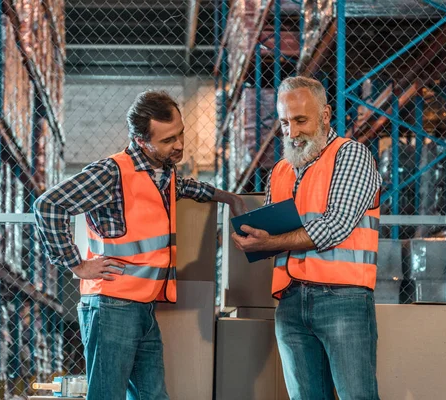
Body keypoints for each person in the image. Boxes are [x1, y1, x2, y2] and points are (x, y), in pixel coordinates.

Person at [34, 90, 246, 400]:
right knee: (108, 395)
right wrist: (76, 264)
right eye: (168, 140)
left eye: (180, 134)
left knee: (153, 395)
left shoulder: (163, 173)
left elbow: (185, 187)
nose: (179, 145)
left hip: (143, 306)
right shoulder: (111, 173)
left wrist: (229, 198)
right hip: (111, 306)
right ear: (141, 141)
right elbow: (48, 205)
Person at [232, 76, 382, 400]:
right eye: (285, 122)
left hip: (342, 299)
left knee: (357, 396)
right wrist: (250, 237)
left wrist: (268, 242)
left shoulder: (351, 156)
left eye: (301, 120)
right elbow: (275, 233)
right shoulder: (281, 170)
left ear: (326, 115)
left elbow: (336, 226)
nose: (292, 132)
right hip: (290, 300)